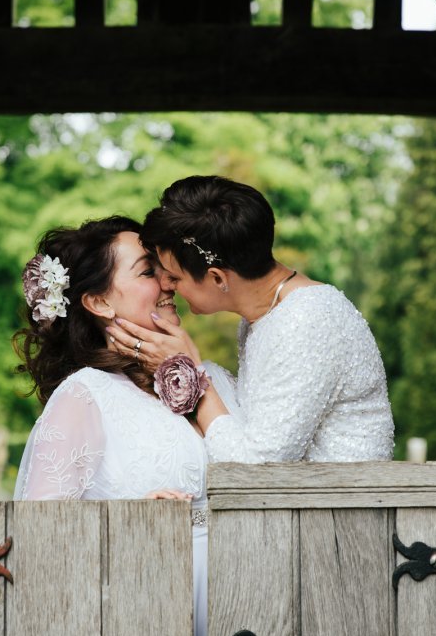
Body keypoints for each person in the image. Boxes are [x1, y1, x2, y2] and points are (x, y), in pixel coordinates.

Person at [12, 216, 210, 636]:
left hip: (244, 615)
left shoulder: (215, 381)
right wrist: (126, 523)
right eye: (147, 271)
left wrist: (192, 368)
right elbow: (39, 543)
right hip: (145, 623)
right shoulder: (85, 396)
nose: (169, 281)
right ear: (100, 302)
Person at [107, 175, 395, 463]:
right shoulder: (264, 315)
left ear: (217, 278)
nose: (167, 285)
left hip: (341, 501)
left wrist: (190, 371)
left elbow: (258, 465)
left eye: (174, 276)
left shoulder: (306, 321)